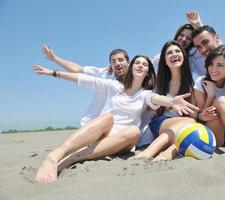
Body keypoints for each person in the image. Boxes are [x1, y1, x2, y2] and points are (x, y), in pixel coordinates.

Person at [32, 55, 199, 183]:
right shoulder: (114, 86)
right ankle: (54, 157)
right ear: (132, 67)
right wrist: (53, 73)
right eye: (137, 63)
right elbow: (83, 79)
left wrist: (172, 101)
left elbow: (157, 99)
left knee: (134, 131)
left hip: (122, 141)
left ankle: (73, 158)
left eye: (145, 64)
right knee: (107, 118)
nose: (140, 65)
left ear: (148, 71)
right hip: (102, 134)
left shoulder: (145, 94)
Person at [137, 41, 199, 160]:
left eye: (177, 51)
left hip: (186, 124)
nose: (174, 54)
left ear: (183, 56)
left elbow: (195, 111)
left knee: (189, 124)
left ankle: (165, 155)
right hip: (161, 122)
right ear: (164, 61)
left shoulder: (194, 79)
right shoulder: (159, 82)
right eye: (169, 53)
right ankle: (147, 154)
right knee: (189, 122)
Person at [42, 45, 129, 126]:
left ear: (129, 62)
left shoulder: (137, 79)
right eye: (113, 61)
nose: (117, 63)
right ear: (110, 65)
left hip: (116, 127)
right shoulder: (105, 73)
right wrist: (55, 58)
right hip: (92, 123)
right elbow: (78, 69)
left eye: (120, 60)